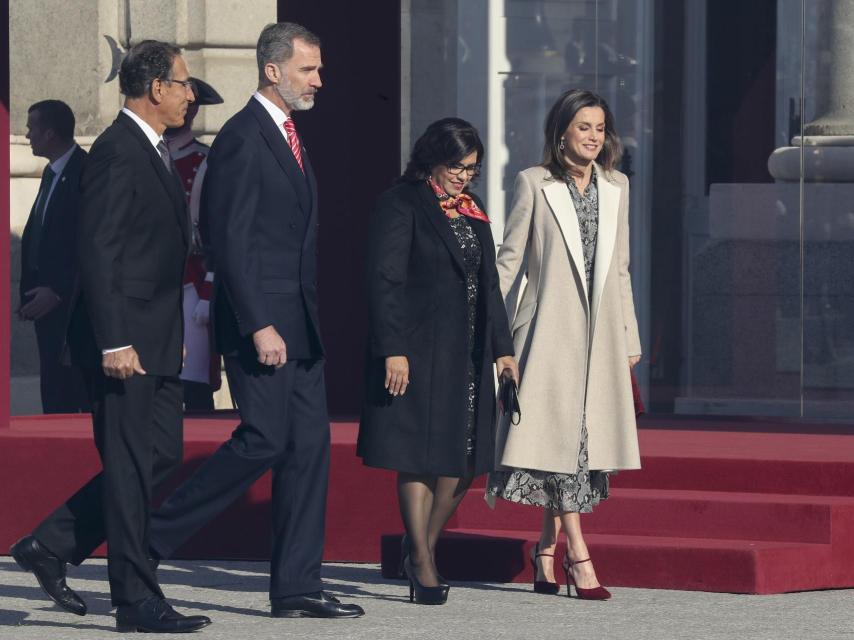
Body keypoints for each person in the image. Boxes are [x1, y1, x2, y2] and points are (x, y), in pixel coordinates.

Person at [145, 22, 364, 620]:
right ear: (273, 70)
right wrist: (260, 324)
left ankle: (296, 586)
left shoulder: (288, 134)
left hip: (301, 324)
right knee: (264, 439)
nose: (319, 80)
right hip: (263, 325)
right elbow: (231, 240)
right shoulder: (244, 137)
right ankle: (150, 540)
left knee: (308, 450)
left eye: (318, 70)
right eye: (308, 70)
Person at [10, 41, 211, 633]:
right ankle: (135, 600)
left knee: (160, 454)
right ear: (154, 88)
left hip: (154, 336)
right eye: (181, 83)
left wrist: (163, 331)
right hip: (122, 343)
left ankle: (50, 544)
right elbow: (98, 252)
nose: (189, 93)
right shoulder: (119, 151)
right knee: (128, 466)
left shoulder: (147, 149)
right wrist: (116, 340)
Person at [486, 89, 642, 601]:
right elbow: (510, 260)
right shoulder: (534, 183)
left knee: (579, 442)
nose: (593, 137)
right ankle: (580, 556)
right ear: (561, 133)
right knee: (563, 443)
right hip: (547, 334)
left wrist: (629, 336)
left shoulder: (618, 186)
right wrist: (493, 332)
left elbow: (619, 269)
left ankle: (544, 552)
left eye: (600, 128)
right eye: (583, 128)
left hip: (601, 337)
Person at [357, 118, 518, 605]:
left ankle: (419, 545)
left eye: (471, 168)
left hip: (466, 353)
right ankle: (424, 562)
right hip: (417, 349)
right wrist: (393, 349)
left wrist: (503, 351)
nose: (463, 176)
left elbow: (489, 284)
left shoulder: (473, 208)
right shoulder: (400, 202)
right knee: (419, 456)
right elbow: (384, 281)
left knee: (466, 459)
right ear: (431, 158)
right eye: (455, 166)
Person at [19, 99, 89, 413]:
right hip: (45, 309)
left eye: (31, 127)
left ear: (50, 133)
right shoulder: (51, 173)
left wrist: (59, 291)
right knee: (54, 394)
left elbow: (88, 243)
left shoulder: (83, 172)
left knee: (74, 393)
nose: (26, 135)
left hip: (74, 309)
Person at [165, 77, 224, 412]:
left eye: (189, 104)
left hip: (193, 279)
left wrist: (208, 290)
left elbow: (218, 230)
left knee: (194, 379)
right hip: (155, 280)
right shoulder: (149, 155)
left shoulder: (206, 160)